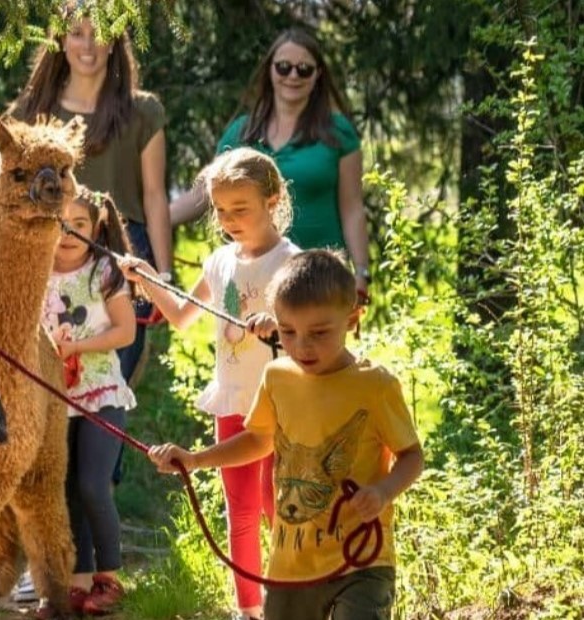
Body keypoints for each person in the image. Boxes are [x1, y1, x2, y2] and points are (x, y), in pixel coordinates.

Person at [148, 250, 425, 619]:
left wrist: (383, 491)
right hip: (291, 567)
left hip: (362, 561)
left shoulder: (375, 386)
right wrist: (196, 459)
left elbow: (412, 456)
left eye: (319, 333)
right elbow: (259, 440)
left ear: (352, 318)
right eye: (288, 332)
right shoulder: (277, 377)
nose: (302, 346)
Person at [120, 147, 299, 620]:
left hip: (280, 405)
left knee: (274, 507)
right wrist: (145, 278)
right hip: (233, 400)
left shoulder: (291, 260)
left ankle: (290, 600)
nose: (228, 219)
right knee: (238, 509)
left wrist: (278, 325)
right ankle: (249, 610)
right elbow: (180, 315)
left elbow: (308, 329)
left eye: (240, 209)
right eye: (220, 210)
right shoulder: (219, 261)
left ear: (273, 199)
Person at [10, 0, 172, 386]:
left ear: (115, 41)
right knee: (46, 390)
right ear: (61, 40)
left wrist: (163, 276)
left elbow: (154, 196)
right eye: (77, 33)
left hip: (122, 255)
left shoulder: (143, 111)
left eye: (99, 34)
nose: (88, 45)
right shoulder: (30, 111)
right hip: (51, 256)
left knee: (108, 388)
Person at [170, 28, 371, 304]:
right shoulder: (241, 132)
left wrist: (361, 272)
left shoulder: (339, 133)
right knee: (242, 345)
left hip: (320, 274)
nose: (292, 76)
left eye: (304, 70)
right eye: (284, 67)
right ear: (270, 70)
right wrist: (152, 222)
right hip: (251, 276)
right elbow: (205, 194)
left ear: (318, 75)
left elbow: (352, 209)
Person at [39, 186, 136, 617]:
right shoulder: (37, 272)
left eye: (78, 224)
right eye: (60, 222)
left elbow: (126, 332)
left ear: (96, 226)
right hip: (55, 399)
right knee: (65, 491)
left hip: (101, 394)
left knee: (94, 484)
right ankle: (76, 583)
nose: (68, 232)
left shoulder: (104, 270)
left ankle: (110, 577)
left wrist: (78, 348)